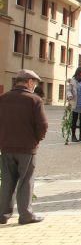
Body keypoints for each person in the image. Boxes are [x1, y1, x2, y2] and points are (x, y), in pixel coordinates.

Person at [0, 70, 48, 224]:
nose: (34, 86)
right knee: (26, 180)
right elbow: (43, 125)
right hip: (27, 147)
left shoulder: (3, 99)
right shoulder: (34, 100)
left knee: (7, 180)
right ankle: (26, 214)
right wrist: (36, 140)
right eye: (34, 82)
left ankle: (3, 214)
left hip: (6, 147)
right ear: (28, 82)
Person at [66, 66, 81, 143]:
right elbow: (68, 90)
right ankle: (73, 136)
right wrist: (70, 96)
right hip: (75, 102)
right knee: (74, 119)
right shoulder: (72, 80)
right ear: (80, 72)